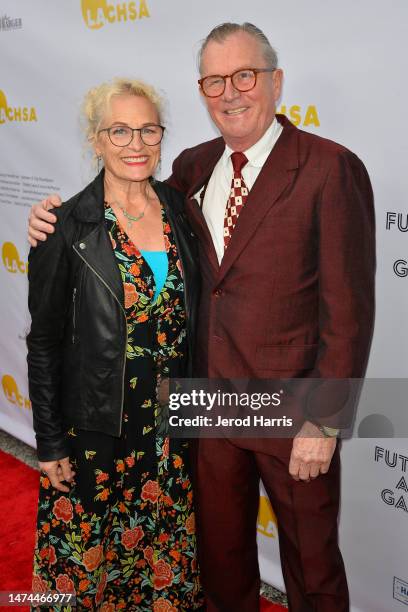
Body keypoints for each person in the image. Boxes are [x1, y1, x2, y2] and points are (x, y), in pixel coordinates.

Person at [28, 23, 375, 612]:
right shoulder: (191, 168)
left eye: (245, 76)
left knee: (314, 574)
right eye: (215, 80)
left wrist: (323, 422)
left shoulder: (328, 168)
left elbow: (349, 315)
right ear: (202, 90)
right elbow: (120, 215)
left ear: (276, 82)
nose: (231, 92)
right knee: (221, 572)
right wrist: (50, 219)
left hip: (291, 417)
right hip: (204, 412)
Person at [27, 78, 203, 611]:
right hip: (97, 434)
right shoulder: (64, 226)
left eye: (148, 129)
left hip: (171, 433)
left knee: (161, 572)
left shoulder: (181, 210)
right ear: (96, 139)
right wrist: (51, 442)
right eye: (119, 130)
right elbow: (44, 343)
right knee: (87, 574)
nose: (136, 143)